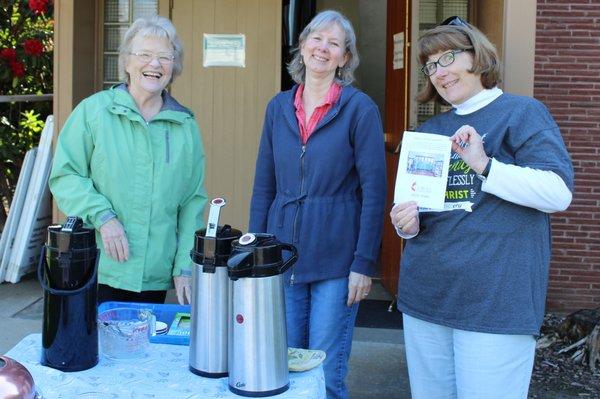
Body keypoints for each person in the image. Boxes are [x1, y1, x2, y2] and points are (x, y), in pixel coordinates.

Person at [390, 16, 574, 398]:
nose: (438, 72)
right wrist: (405, 224)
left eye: (448, 58)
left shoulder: (522, 113)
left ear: (478, 56)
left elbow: (558, 193)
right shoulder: (429, 132)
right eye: (430, 66)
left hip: (495, 300)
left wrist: (485, 165)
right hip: (427, 295)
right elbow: (418, 213)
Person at [249, 10, 386, 399]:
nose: (322, 48)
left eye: (334, 43)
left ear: (345, 57)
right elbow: (264, 186)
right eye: (316, 38)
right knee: (282, 367)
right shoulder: (278, 107)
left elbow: (375, 192)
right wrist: (258, 252)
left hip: (337, 261)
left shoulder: (359, 109)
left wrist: (363, 264)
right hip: (282, 257)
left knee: (325, 373)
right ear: (303, 45)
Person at [49, 16, 207, 305]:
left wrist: (185, 266)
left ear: (174, 66)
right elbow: (66, 176)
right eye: (144, 54)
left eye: (164, 57)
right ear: (126, 62)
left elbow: (192, 203)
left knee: (144, 348)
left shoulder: (185, 126)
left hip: (154, 274)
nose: (154, 64)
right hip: (98, 267)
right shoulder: (94, 112)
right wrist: (104, 218)